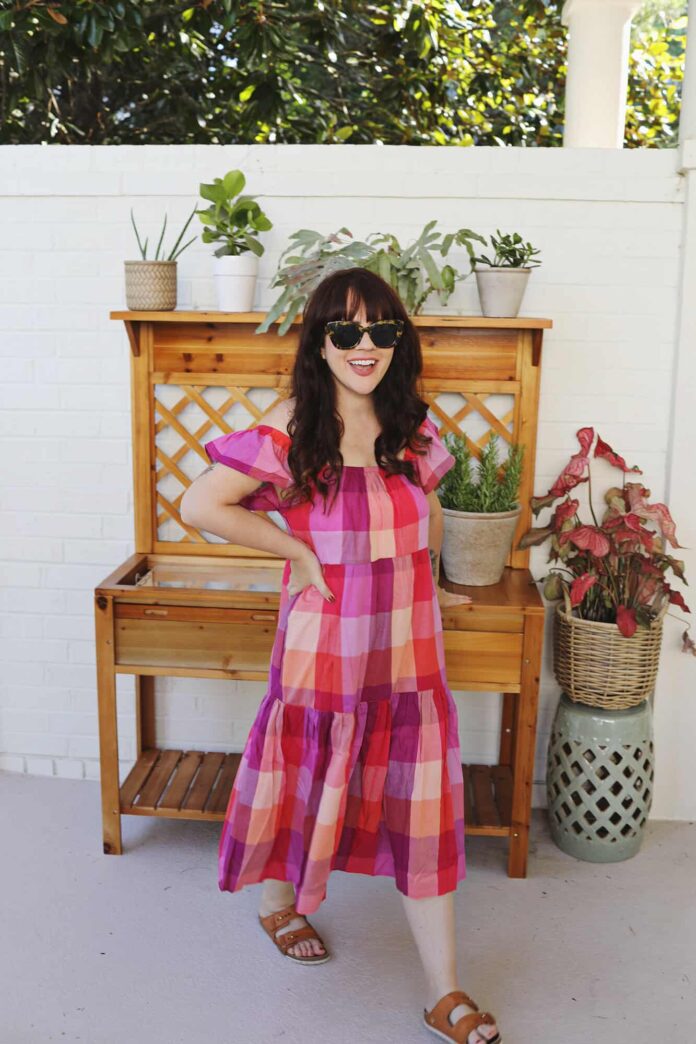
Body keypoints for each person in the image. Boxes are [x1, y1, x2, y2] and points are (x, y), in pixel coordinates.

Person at [180, 268, 501, 1044]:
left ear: (400, 342)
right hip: (324, 647)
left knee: (417, 806)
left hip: (405, 655)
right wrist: (293, 548)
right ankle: (275, 904)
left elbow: (410, 538)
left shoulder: (413, 431)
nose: (366, 347)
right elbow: (200, 504)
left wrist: (431, 590)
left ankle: (445, 993)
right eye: (347, 331)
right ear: (320, 341)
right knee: (308, 772)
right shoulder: (292, 430)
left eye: (382, 331)